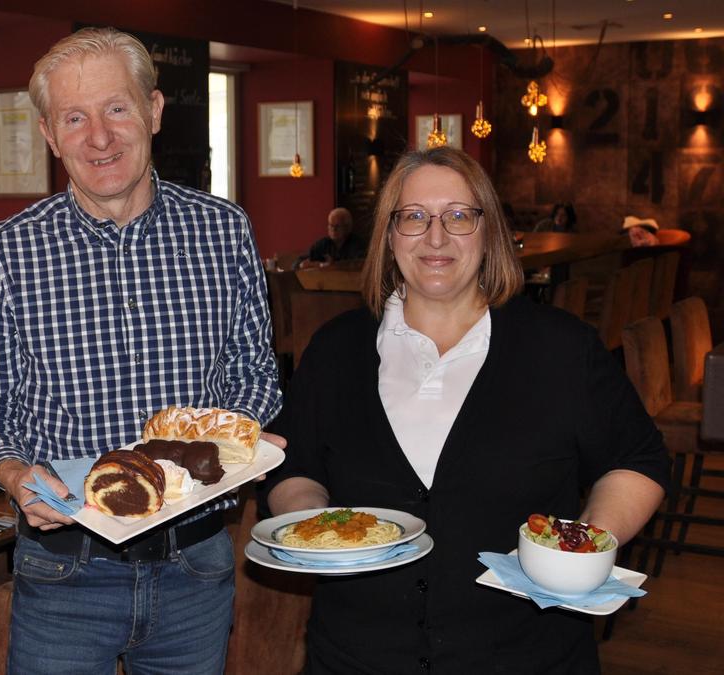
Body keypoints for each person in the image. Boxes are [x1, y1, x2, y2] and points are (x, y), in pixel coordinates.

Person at [262, 147, 668, 673]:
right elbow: (294, 468)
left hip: (527, 656)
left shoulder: (561, 349)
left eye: (458, 216)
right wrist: (320, 530)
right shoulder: (335, 350)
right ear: (388, 235)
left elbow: (637, 459)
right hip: (358, 654)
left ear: (489, 231)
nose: (436, 237)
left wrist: (581, 548)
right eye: (413, 217)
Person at [0, 27, 283, 674]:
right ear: (51, 136)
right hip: (63, 566)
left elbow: (257, 375)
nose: (99, 137)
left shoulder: (225, 231)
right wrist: (13, 473)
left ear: (154, 111)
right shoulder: (5, 255)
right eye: (74, 118)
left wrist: (231, 442)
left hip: (196, 561)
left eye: (116, 108)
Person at [294, 207, 364, 268]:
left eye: (337, 226)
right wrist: (317, 265)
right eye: (331, 225)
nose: (333, 229)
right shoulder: (323, 244)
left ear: (348, 227)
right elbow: (297, 264)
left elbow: (360, 265)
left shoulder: (357, 244)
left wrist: (333, 266)